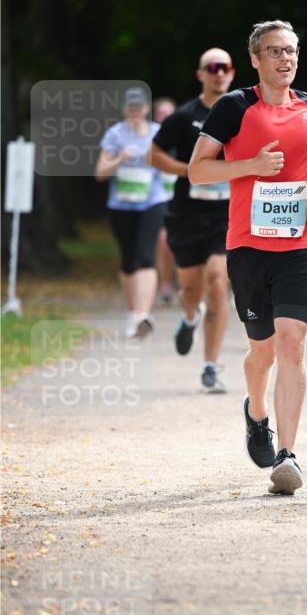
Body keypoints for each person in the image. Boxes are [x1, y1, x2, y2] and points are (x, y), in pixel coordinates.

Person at [189, 19, 307, 496]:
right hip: (249, 246)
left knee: (293, 344)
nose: (285, 59)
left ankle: (288, 455)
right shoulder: (235, 107)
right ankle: (256, 413)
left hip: (301, 243)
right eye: (274, 51)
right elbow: (197, 171)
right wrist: (250, 167)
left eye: (290, 51)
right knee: (263, 351)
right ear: (255, 59)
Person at [150, 49, 236, 394]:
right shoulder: (184, 116)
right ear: (200, 74)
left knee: (218, 280)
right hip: (187, 214)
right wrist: (189, 170)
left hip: (226, 214)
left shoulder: (241, 113)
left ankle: (210, 365)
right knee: (191, 288)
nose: (219, 73)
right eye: (212, 68)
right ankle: (189, 317)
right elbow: (153, 154)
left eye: (226, 67)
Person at [95, 88, 168, 338]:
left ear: (146, 110)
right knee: (128, 261)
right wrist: (119, 159)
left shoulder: (158, 133)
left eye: (139, 108)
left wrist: (155, 159)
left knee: (146, 256)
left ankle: (142, 315)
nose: (135, 112)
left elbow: (171, 167)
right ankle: (133, 311)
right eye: (131, 108)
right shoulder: (115, 135)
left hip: (152, 201)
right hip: (121, 205)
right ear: (125, 110)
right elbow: (100, 173)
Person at [152, 97, 178, 306]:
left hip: (187, 199)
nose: (165, 117)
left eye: (169, 112)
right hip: (160, 200)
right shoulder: (151, 141)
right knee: (164, 241)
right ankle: (166, 284)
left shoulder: (185, 135)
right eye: (161, 113)